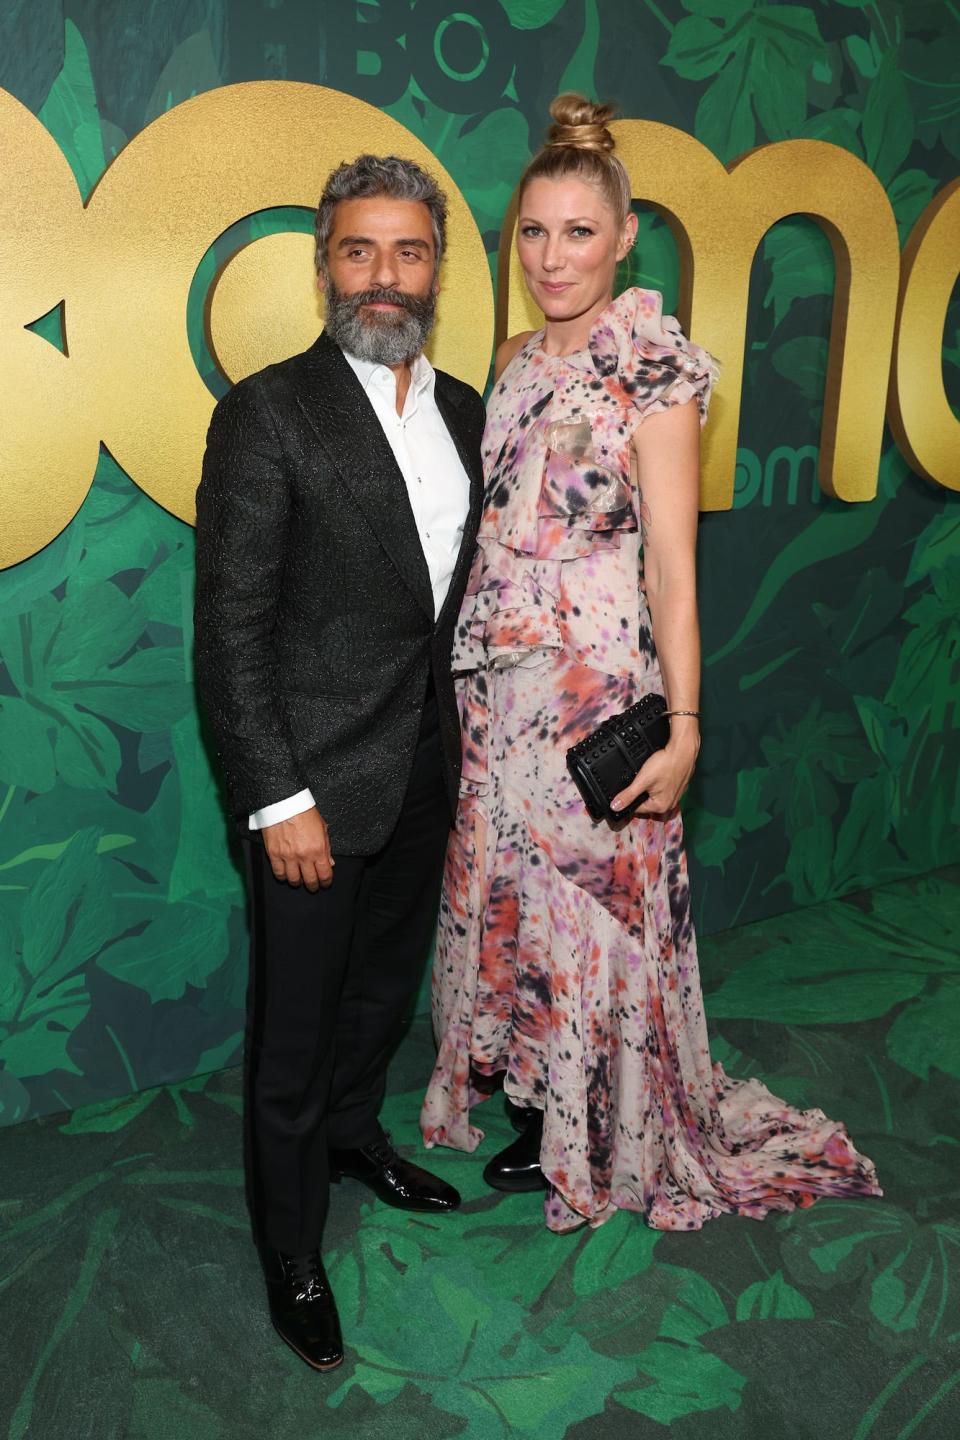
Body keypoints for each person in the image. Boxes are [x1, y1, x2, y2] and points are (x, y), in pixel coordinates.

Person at [421, 95, 881, 1234]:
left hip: (593, 693)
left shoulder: (652, 367)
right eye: (533, 232)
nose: (551, 257)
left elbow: (675, 566)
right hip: (497, 693)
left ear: (625, 236)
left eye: (579, 232)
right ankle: (541, 1107)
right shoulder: (515, 355)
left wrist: (683, 727)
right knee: (517, 904)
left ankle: (608, 1124)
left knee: (591, 911)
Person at [194, 154, 485, 1370]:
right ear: (325, 265)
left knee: (378, 991)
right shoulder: (269, 411)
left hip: (427, 765)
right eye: (359, 251)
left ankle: (357, 1138)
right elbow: (232, 632)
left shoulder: (466, 408)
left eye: (408, 252)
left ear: (436, 269)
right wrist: (278, 798)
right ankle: (290, 1244)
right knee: (296, 1029)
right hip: (309, 785)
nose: (384, 276)